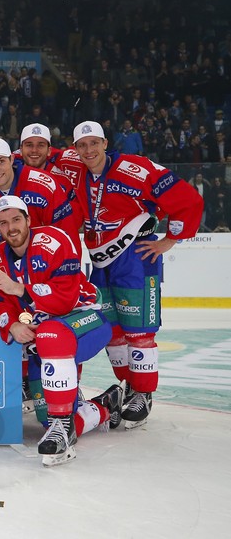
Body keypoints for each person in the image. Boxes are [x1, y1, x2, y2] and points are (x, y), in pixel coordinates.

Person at [68, 120, 204, 428]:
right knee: (113, 333)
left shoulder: (135, 168)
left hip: (135, 257)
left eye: (94, 143)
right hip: (100, 261)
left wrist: (171, 239)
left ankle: (144, 393)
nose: (89, 150)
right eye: (82, 145)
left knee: (139, 331)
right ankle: (129, 385)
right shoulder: (78, 173)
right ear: (75, 150)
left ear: (105, 143)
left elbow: (188, 200)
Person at [0, 195, 121, 466]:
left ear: (29, 220)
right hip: (44, 332)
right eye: (3, 223)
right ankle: (102, 406)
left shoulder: (54, 240)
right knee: (44, 418)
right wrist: (12, 324)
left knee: (50, 334)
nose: (11, 227)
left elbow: (66, 298)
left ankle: (62, 424)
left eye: (16, 219)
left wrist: (19, 289)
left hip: (85, 319)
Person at [0, 137, 80, 247]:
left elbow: (66, 233)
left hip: (42, 259)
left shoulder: (43, 185)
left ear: (11, 159)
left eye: (1, 161)